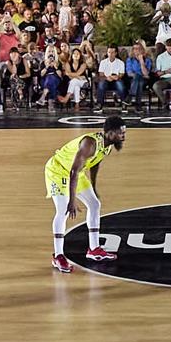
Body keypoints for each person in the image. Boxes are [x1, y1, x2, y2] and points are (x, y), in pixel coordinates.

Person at [44, 115, 125, 273]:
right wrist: (72, 200)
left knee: (94, 204)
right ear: (110, 133)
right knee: (63, 210)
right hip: (58, 170)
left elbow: (95, 164)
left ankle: (94, 249)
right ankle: (58, 256)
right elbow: (73, 171)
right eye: (120, 133)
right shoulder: (90, 144)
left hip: (77, 173)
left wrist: (93, 186)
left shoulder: (106, 146)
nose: (123, 136)